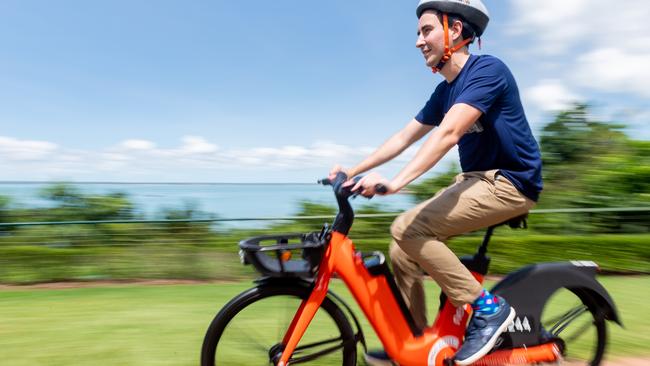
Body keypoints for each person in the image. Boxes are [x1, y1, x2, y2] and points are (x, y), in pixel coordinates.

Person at [328, 0, 543, 365]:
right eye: (418, 33)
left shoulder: (488, 70)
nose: (418, 42)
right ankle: (416, 345)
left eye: (425, 31)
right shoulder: (445, 90)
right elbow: (403, 138)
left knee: (407, 229)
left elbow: (449, 133)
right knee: (401, 249)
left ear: (454, 31)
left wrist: (395, 184)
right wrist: (352, 169)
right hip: (474, 180)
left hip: (510, 182)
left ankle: (487, 309)